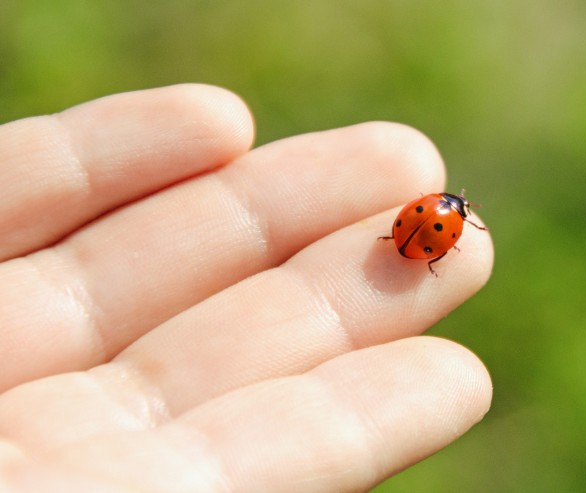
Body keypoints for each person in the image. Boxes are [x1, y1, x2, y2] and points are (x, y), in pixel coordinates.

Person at [0, 84, 494, 491]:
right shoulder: (445, 216)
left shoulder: (433, 207)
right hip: (408, 249)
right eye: (461, 211)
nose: (460, 212)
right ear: (460, 212)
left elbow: (419, 227)